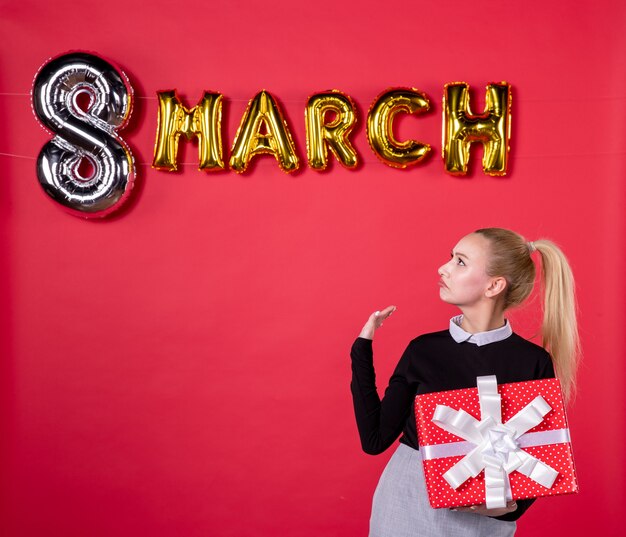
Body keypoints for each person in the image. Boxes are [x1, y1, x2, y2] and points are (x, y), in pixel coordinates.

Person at [350, 227, 580, 537]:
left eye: (460, 261)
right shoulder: (423, 350)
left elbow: (538, 460)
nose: (442, 268)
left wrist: (506, 507)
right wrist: (362, 349)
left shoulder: (533, 362)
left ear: (494, 285)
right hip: (406, 503)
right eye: (450, 258)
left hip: (485, 519)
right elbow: (374, 440)